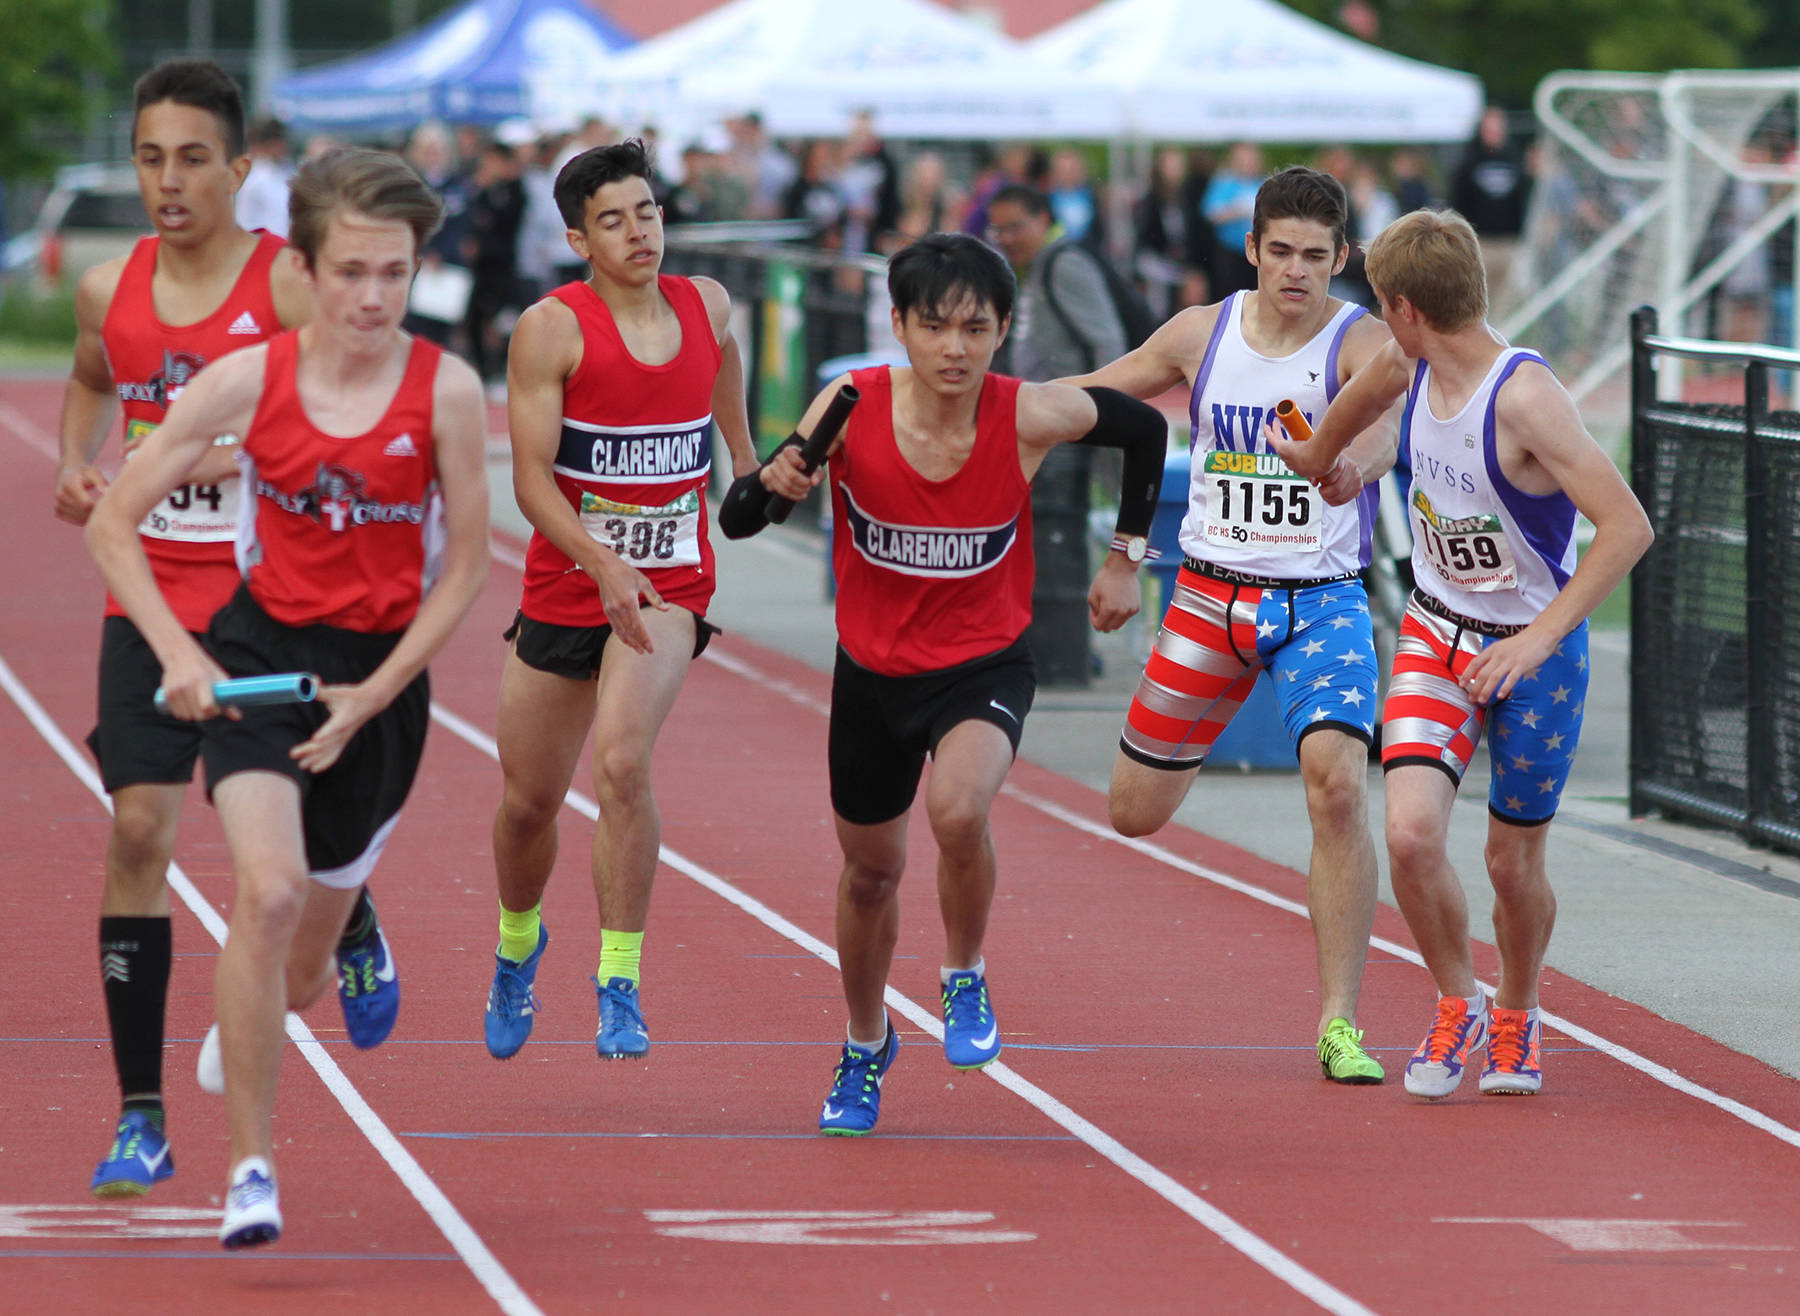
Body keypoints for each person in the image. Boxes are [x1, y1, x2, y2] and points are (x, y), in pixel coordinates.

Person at [84, 147, 490, 1246]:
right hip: (262, 661)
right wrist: (180, 650)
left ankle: (284, 983)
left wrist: (380, 692)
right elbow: (116, 516)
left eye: (394, 274)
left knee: (302, 961)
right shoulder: (249, 381)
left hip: (382, 684)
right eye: (352, 271)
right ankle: (250, 1170)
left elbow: (464, 570)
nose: (372, 296)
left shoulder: (445, 392)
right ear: (305, 269)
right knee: (260, 896)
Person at [716, 232, 1170, 1135]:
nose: (955, 348)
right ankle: (863, 1042)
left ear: (1005, 330)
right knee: (870, 876)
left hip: (982, 665)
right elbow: (738, 520)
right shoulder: (848, 404)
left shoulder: (1028, 413)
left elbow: (1145, 426)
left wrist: (1127, 559)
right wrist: (774, 483)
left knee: (959, 810)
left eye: (975, 328)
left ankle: (964, 975)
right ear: (898, 327)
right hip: (872, 677)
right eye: (935, 328)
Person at [1271, 208, 1653, 1099]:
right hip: (1436, 630)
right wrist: (1338, 463)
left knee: (1510, 864)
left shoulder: (1523, 398)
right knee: (1408, 836)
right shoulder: (1409, 363)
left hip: (1534, 652)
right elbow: (1373, 410)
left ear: (1403, 307)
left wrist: (1538, 636)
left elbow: (1627, 525)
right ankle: (1458, 1000)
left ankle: (1518, 1013)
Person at [1062, 166, 1401, 1085]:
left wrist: (1353, 468)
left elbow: (1387, 425)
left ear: (1343, 260)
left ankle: (1339, 1022)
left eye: (1316, 257)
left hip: (1322, 599)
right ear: (1251, 249)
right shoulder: (1201, 333)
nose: (1297, 272)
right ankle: (1199, 730)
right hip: (1210, 595)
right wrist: (982, 407)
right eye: (1280, 252)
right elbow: (1096, 395)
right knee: (1133, 815)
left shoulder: (1359, 340)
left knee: (1336, 787)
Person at [51, 59, 318, 1201]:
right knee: (140, 832)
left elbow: (323, 419)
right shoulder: (109, 286)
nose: (170, 180)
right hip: (148, 600)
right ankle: (141, 1114)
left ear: (241, 168)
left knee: (299, 837)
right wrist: (77, 460)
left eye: (194, 158)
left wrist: (189, 459)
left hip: (273, 599)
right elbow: (88, 377)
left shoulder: (289, 287)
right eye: (152, 157)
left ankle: (351, 917)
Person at [481, 139, 756, 1065]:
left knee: (623, 764)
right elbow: (529, 482)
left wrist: (745, 458)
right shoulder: (551, 329)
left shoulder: (706, 303)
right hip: (567, 582)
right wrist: (599, 561)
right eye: (613, 220)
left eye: (647, 212)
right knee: (527, 805)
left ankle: (620, 980)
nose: (638, 232)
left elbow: (722, 357)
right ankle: (519, 946)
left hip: (670, 584)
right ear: (576, 239)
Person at [234, 116, 293, 237]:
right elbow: (244, 221)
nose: (281, 148)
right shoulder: (253, 180)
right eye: (275, 144)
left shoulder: (285, 171)